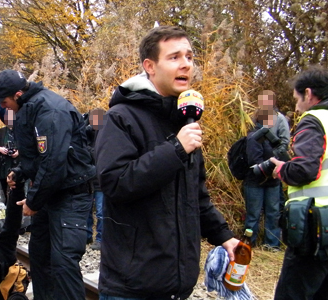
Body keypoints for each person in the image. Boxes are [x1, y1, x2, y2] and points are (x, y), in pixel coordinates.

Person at [94, 26, 238, 299]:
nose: (186, 64)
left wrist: (224, 236)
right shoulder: (121, 118)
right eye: (174, 57)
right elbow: (115, 183)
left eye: (190, 57)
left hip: (177, 286)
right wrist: (175, 149)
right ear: (150, 66)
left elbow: (196, 196)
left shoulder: (185, 122)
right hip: (131, 288)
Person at [0, 69, 96, 300]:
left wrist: (34, 200)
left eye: (4, 101)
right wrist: (20, 172)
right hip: (49, 192)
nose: (2, 107)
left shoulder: (49, 109)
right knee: (40, 255)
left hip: (70, 193)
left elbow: (53, 160)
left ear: (17, 94)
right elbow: (35, 155)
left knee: (63, 262)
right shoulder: (27, 108)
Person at [270, 66, 328, 299]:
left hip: (314, 228)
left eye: (297, 99)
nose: (296, 106)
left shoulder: (313, 120)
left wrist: (282, 169)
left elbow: (305, 168)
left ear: (309, 93)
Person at [243, 90, 289, 251]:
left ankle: (272, 243)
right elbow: (254, 162)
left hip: (273, 180)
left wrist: (279, 163)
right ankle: (249, 243)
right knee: (253, 214)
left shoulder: (276, 128)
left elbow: (283, 147)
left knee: (273, 213)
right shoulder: (254, 135)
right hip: (255, 181)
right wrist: (273, 164)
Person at [85, 108, 105, 251]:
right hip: (87, 179)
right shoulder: (85, 134)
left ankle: (100, 239)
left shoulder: (107, 136)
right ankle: (86, 236)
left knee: (101, 212)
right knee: (86, 211)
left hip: (100, 181)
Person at [0, 106, 19, 202]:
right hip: (2, 168)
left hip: (17, 167)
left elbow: (29, 147)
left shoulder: (21, 132)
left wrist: (19, 152)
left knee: (16, 192)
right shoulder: (1, 132)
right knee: (1, 192)